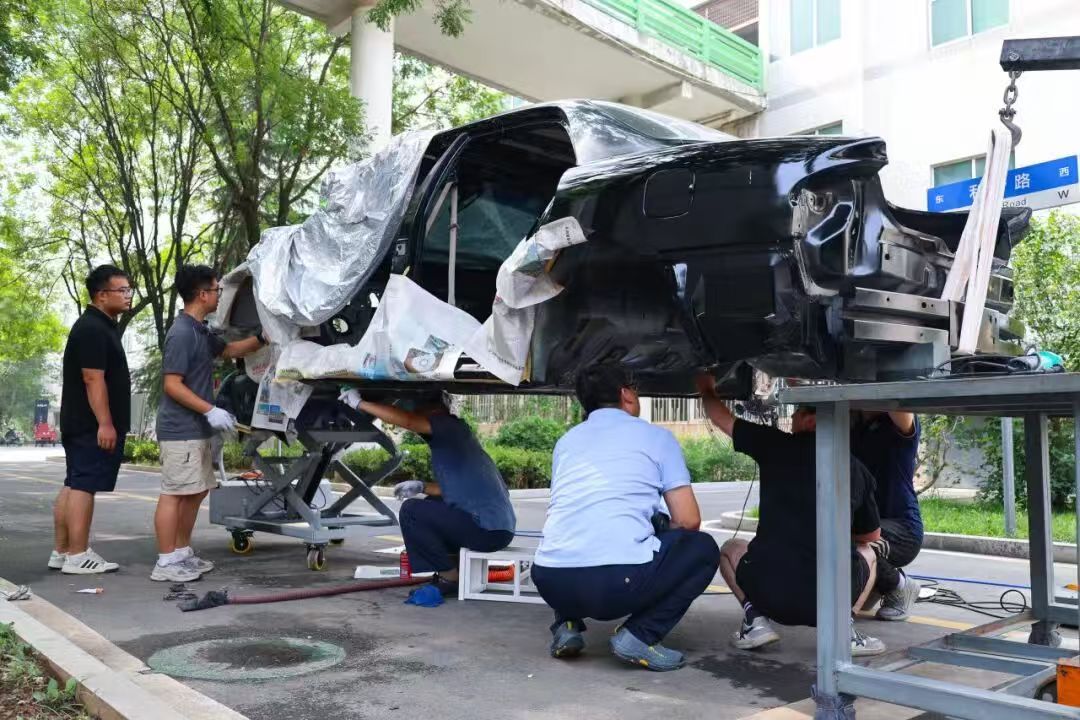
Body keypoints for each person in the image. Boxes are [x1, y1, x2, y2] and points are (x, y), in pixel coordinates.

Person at [531, 365, 719, 673]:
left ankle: (566, 625)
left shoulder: (566, 442)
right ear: (626, 395)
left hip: (550, 580)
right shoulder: (657, 438)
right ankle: (639, 635)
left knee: (576, 527)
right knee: (703, 548)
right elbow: (688, 521)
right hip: (614, 585)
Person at [696, 375, 886, 657]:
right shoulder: (855, 468)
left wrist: (706, 389)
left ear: (811, 421)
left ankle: (756, 622)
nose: (792, 418)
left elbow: (721, 418)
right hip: (827, 602)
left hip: (772, 595)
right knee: (868, 552)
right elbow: (871, 535)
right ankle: (842, 629)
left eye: (796, 412)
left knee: (730, 549)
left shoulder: (773, 445)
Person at [150, 265, 266, 583]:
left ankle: (181, 552)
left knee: (196, 491)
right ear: (202, 294)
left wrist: (262, 338)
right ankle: (165, 561)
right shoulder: (181, 333)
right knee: (175, 493)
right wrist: (210, 410)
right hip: (180, 430)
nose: (219, 295)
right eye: (217, 290)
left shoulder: (200, 330)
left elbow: (228, 350)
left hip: (197, 428)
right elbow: (172, 384)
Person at [339, 390, 516, 597]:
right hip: (496, 529)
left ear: (429, 410)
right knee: (432, 502)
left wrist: (360, 403)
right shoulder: (458, 440)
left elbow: (408, 421)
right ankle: (454, 570)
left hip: (486, 529)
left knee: (412, 511)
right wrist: (422, 487)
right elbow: (456, 490)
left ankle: (449, 578)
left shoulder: (448, 426)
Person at [49, 265, 132, 575]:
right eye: (121, 290)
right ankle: (78, 554)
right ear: (101, 295)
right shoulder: (93, 329)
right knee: (84, 485)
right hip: (90, 424)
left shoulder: (99, 326)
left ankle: (62, 552)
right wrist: (105, 423)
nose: (128, 295)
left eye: (129, 289)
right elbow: (92, 378)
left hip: (81, 422)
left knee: (74, 482)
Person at [852, 411, 922, 621]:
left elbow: (899, 400)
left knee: (853, 542)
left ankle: (899, 586)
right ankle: (874, 584)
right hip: (866, 523)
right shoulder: (853, 424)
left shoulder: (899, 422)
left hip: (903, 529)